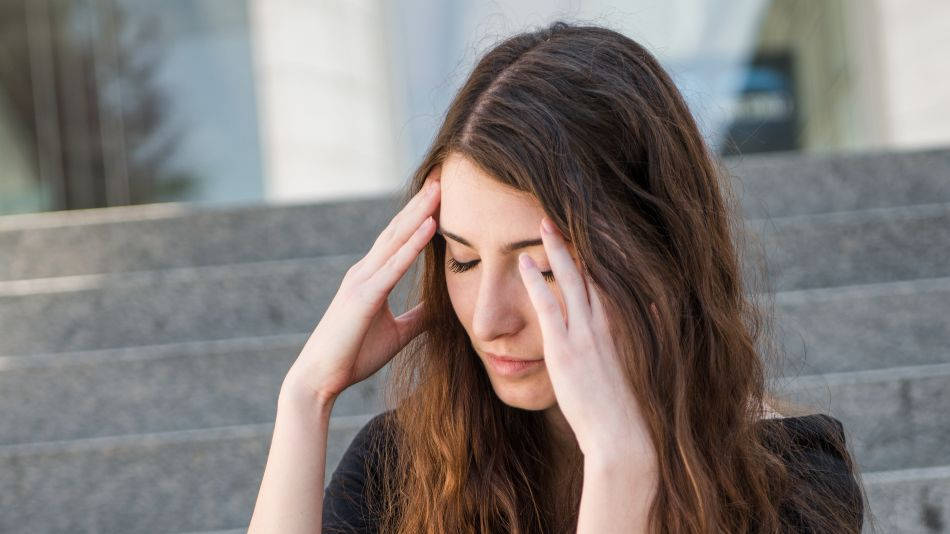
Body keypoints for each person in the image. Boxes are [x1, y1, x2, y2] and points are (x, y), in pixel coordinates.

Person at [248, 20, 866, 533]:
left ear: (656, 258)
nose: (488, 319)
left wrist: (620, 466)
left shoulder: (793, 480)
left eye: (540, 269)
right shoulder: (404, 465)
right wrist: (306, 398)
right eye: (461, 259)